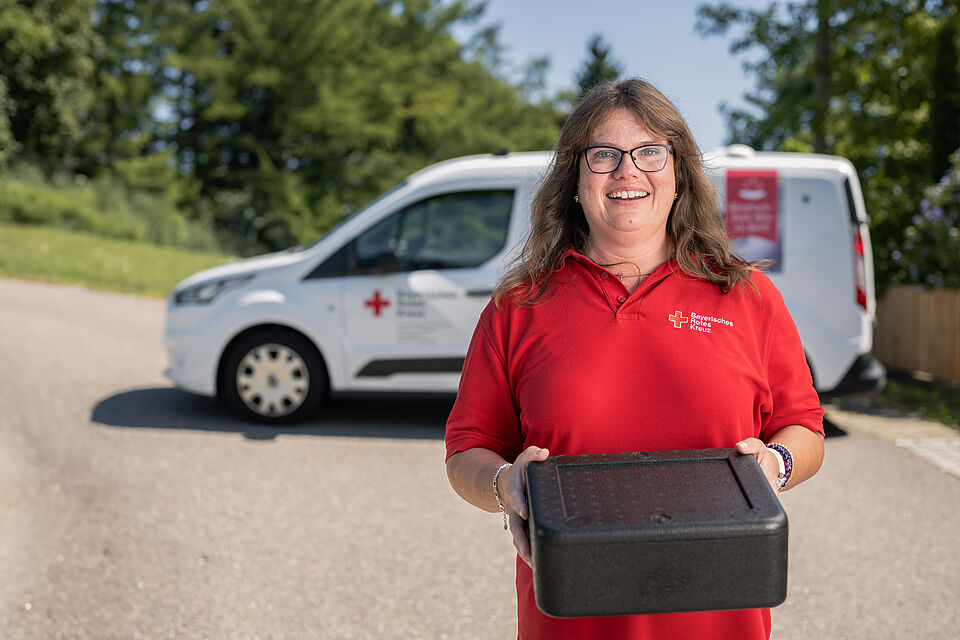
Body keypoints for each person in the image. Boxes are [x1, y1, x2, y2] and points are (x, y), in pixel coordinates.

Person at [444, 78, 825, 640]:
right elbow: (465, 450)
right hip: (569, 622)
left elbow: (804, 427)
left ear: (679, 177)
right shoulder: (518, 306)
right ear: (574, 182)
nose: (628, 171)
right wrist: (504, 483)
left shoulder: (746, 297)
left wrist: (776, 465)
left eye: (650, 152)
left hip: (721, 623)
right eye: (603, 155)